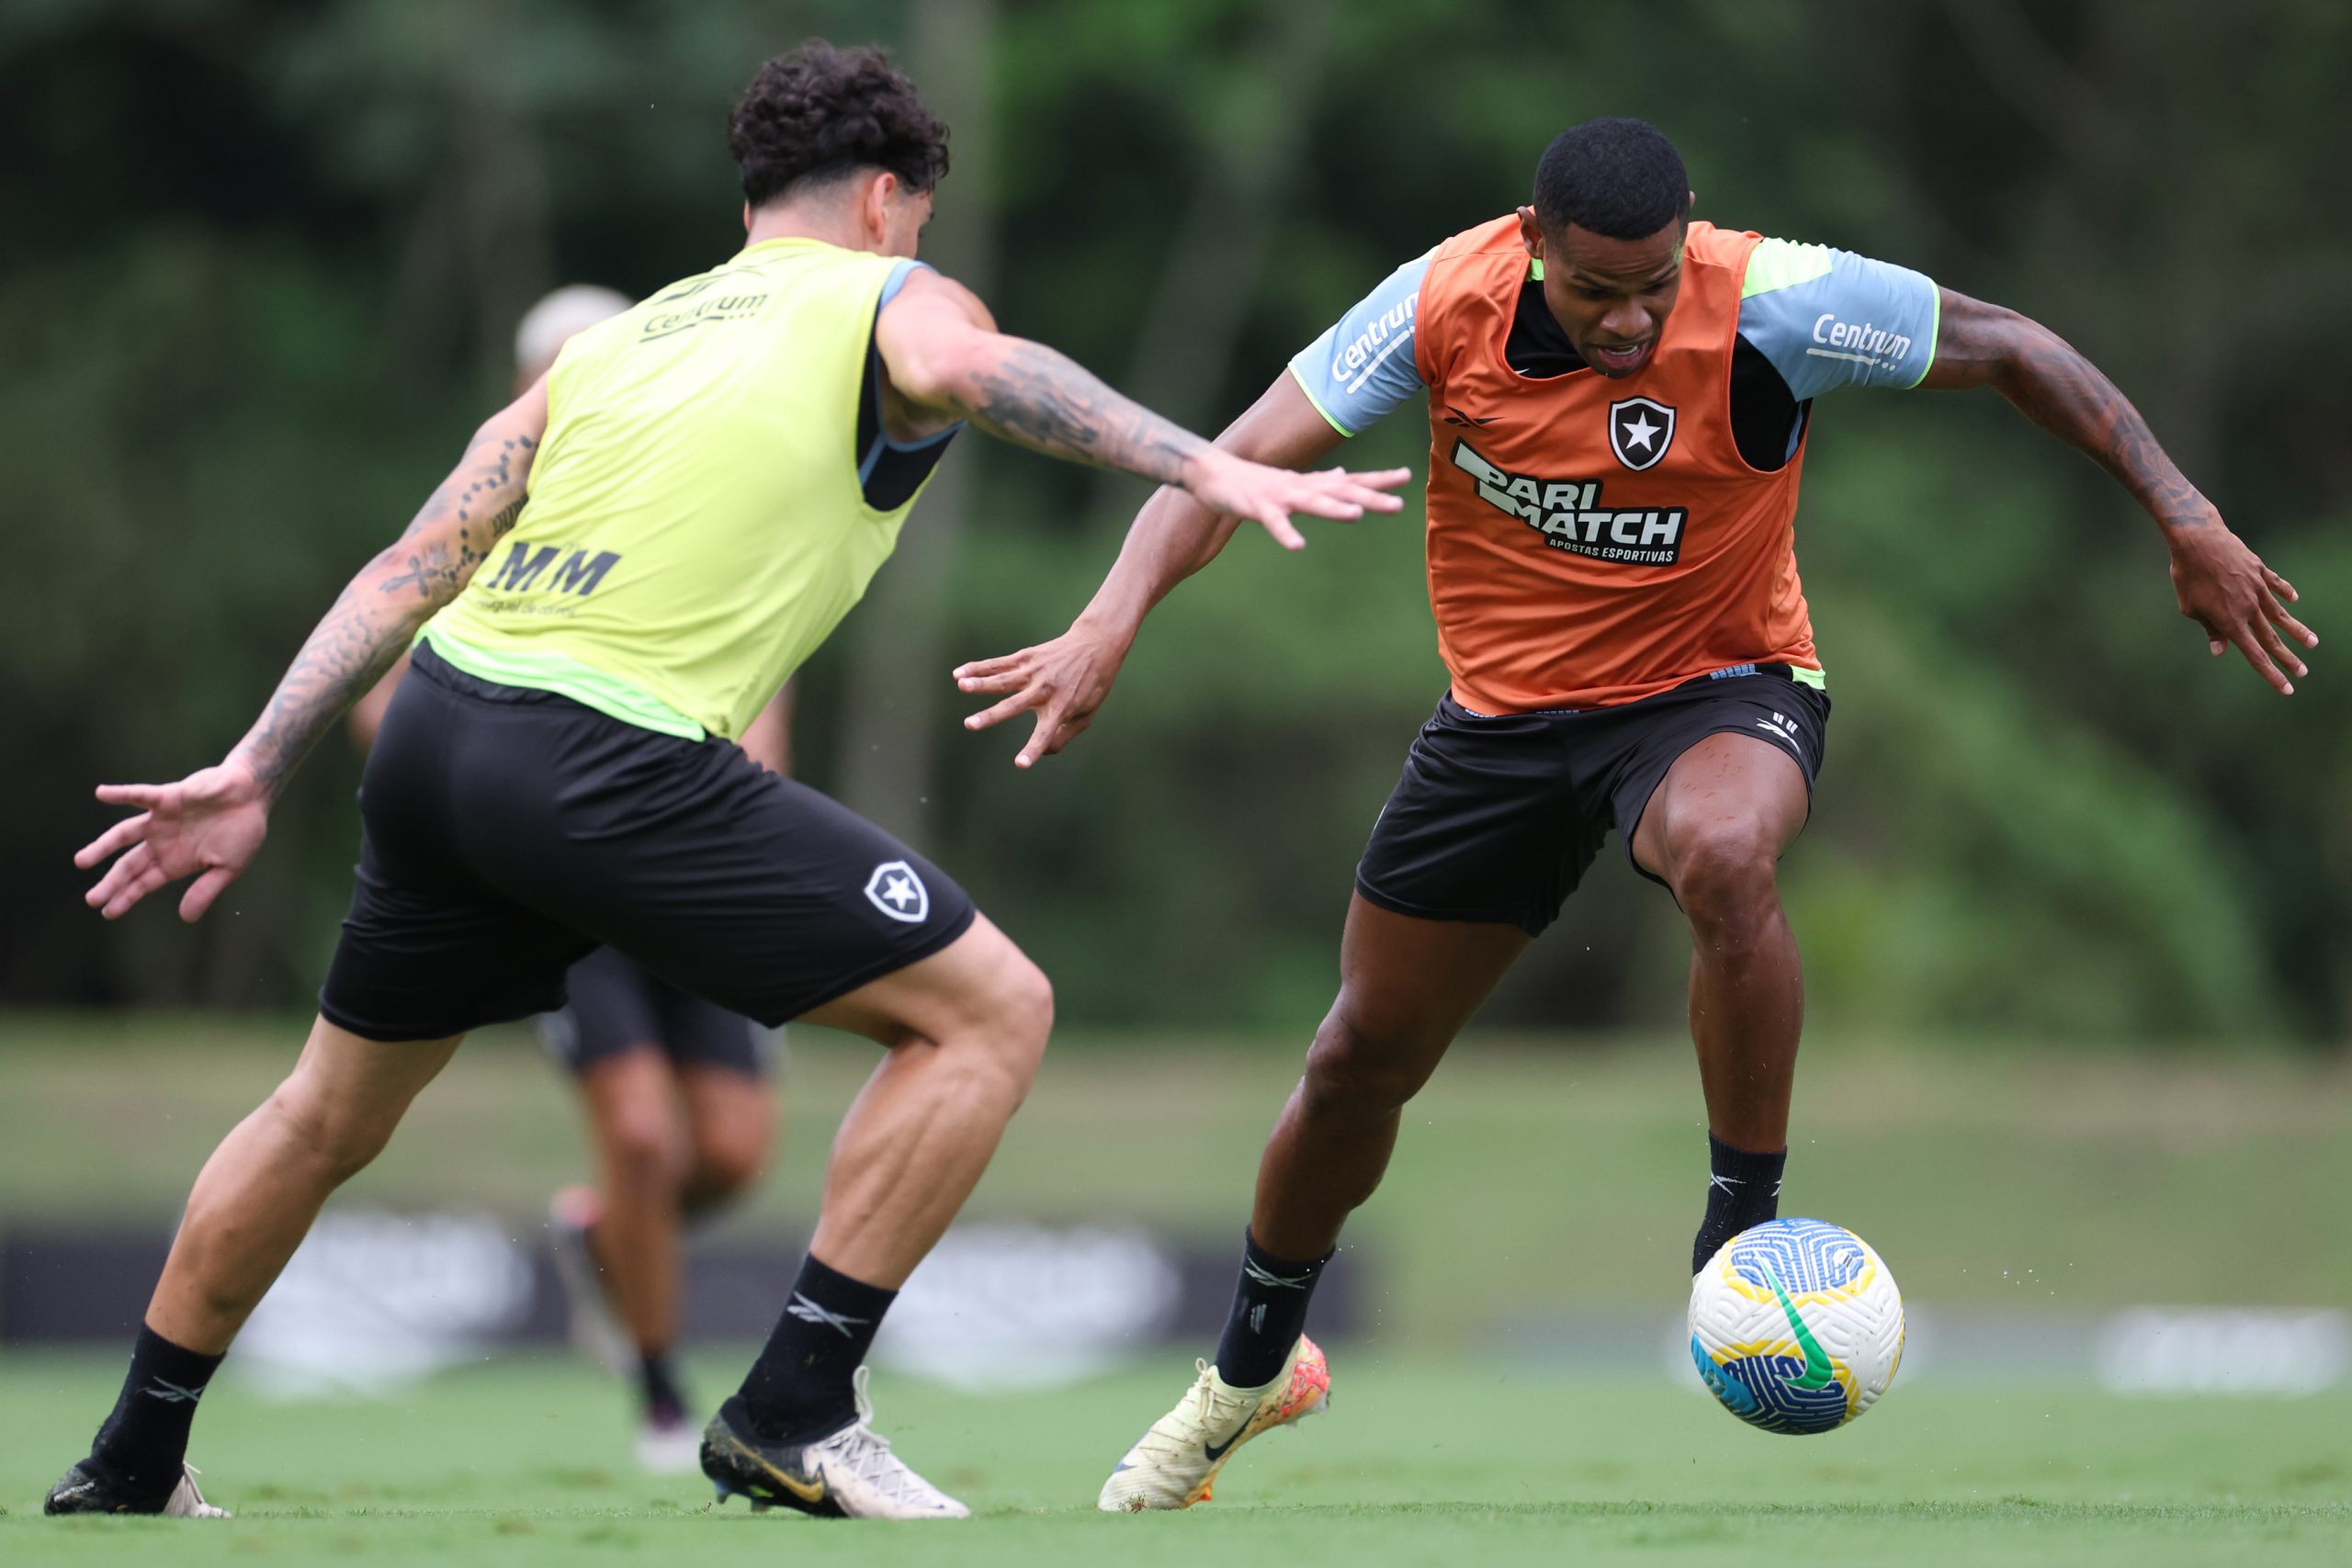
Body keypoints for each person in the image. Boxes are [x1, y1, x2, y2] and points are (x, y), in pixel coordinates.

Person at [51, 40, 1407, 1522]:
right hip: (601, 756)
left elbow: (413, 564)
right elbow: (978, 369)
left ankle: (131, 1455)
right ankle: (796, 1409)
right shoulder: (893, 296)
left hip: (442, 734)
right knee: (989, 1012)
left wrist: (254, 765)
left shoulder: (615, 342)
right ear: (889, 199)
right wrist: (1197, 465)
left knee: (319, 1116)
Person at [951, 117, 2317, 1512]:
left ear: (1690, 238)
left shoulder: (1777, 302)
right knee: (1359, 1058)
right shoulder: (1441, 301)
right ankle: (1248, 1375)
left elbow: (2018, 346)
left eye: (1653, 283)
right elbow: (1229, 462)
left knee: (1727, 854)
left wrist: (2184, 513)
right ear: (1533, 242)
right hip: (1503, 722)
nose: (1629, 316)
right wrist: (1107, 622)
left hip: (1718, 692)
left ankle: (1738, 1237)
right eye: (1597, 288)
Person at [345, 285, 796, 1474]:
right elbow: (383, 692)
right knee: (643, 1139)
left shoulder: (691, 501)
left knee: (735, 1153)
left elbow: (765, 705)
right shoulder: (485, 525)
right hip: (560, 892)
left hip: (688, 869)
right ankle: (660, 1402)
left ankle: (601, 1236)